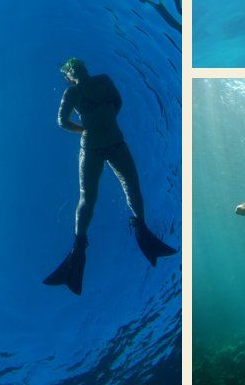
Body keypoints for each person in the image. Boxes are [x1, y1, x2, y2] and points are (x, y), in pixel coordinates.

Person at [44, 58, 176, 295]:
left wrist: (104, 121)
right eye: (71, 68)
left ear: (85, 67)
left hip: (116, 142)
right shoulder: (71, 92)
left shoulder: (103, 80)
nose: (77, 68)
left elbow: (118, 102)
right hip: (92, 147)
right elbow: (62, 122)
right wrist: (86, 129)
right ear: (68, 76)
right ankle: (78, 247)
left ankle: (141, 229)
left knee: (133, 187)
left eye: (78, 64)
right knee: (87, 198)